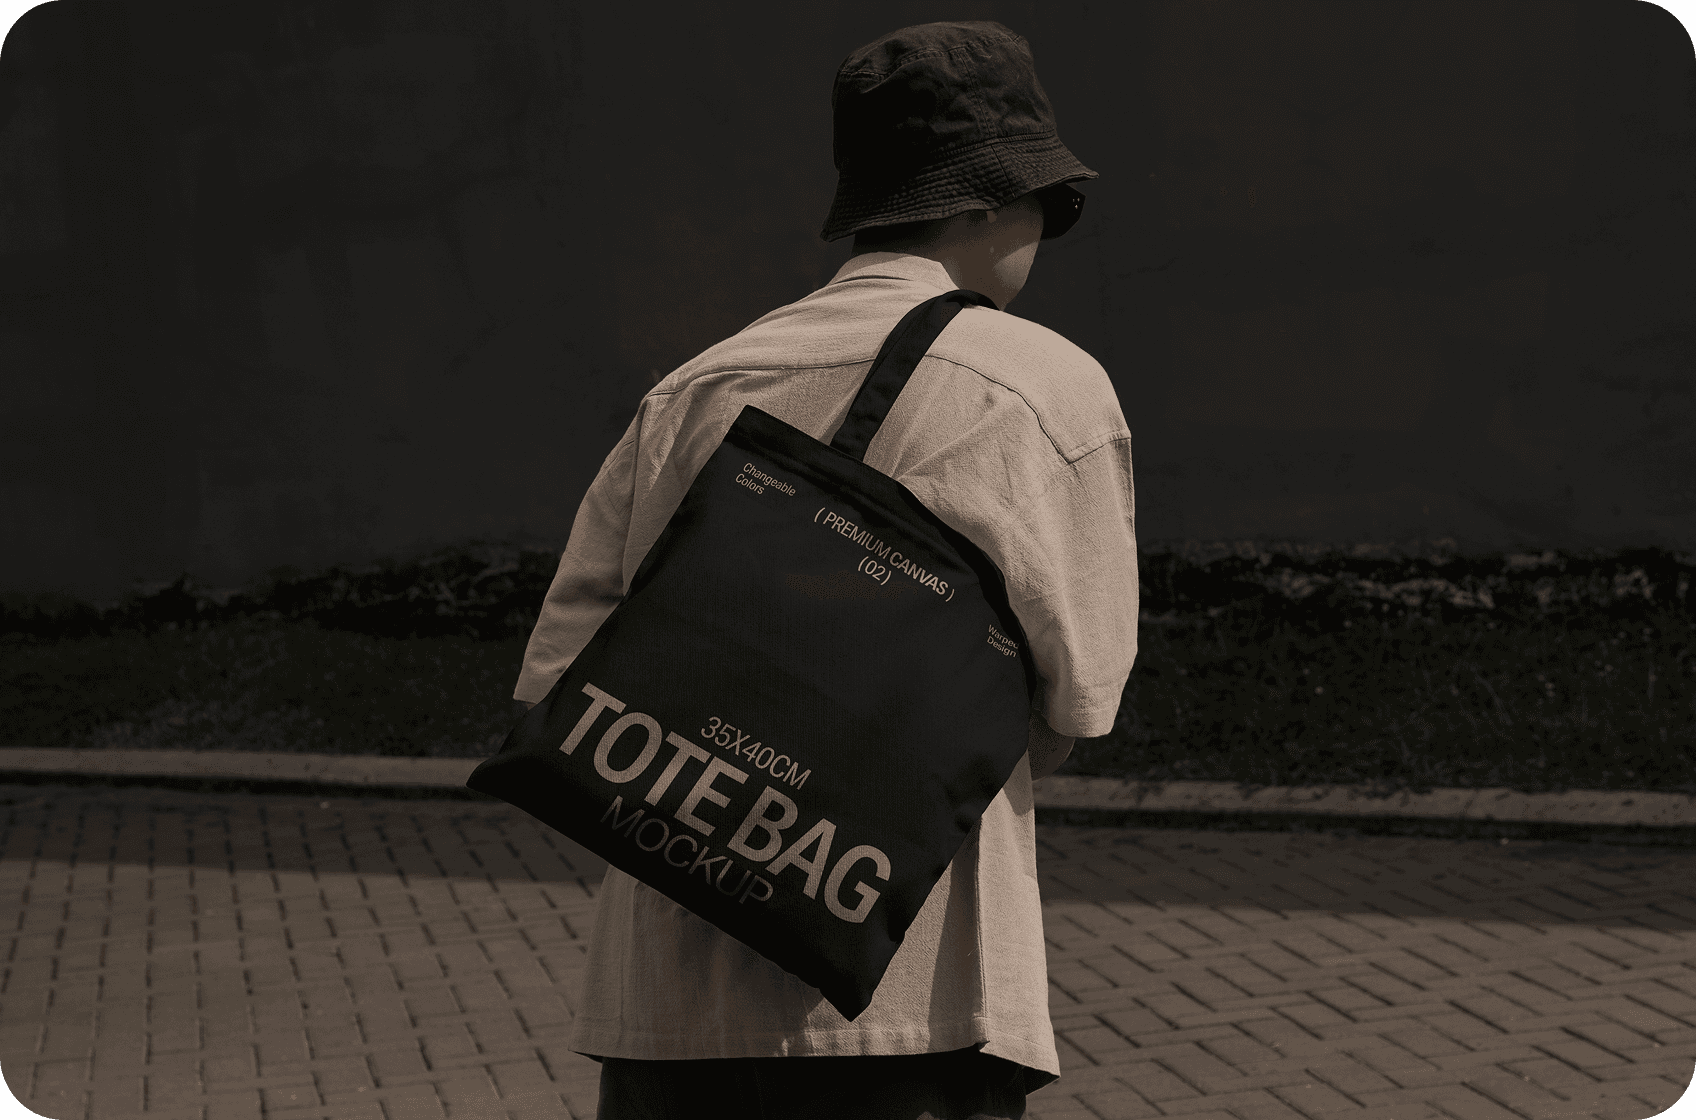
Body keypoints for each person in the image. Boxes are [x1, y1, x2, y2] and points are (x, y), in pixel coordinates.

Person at [510, 20, 1138, 1120]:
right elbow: (1079, 695)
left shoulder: (702, 382)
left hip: (665, 1007)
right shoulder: (1043, 388)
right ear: (981, 200)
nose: (1043, 233)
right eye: (1045, 203)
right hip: (911, 991)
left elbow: (555, 676)